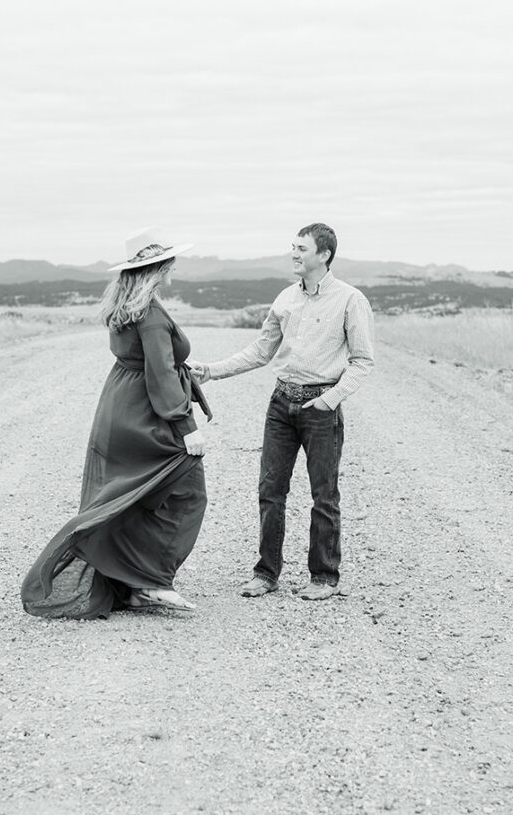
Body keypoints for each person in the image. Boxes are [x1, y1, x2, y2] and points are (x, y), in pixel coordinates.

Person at [21, 227, 210, 619]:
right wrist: (187, 427)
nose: (172, 269)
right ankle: (153, 580)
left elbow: (151, 365)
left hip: (117, 410)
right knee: (187, 490)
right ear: (159, 269)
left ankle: (131, 583)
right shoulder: (153, 314)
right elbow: (159, 376)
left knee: (128, 495)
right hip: (144, 412)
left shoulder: (125, 306)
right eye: (168, 264)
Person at [190, 222, 374, 601]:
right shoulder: (285, 299)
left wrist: (329, 399)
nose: (294, 254)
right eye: (293, 247)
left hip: (321, 406)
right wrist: (211, 372)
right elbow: (260, 351)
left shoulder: (350, 300)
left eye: (302, 249)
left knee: (324, 495)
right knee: (270, 490)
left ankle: (324, 577)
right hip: (280, 404)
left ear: (324, 255)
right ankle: (266, 573)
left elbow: (362, 361)